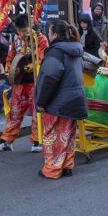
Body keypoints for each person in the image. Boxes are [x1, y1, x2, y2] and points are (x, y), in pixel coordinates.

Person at [35, 19, 87, 179]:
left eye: (49, 31)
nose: (48, 34)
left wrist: (41, 101)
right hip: (74, 99)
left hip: (59, 101)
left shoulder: (56, 51)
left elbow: (49, 78)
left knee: (52, 136)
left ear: (55, 34)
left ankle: (52, 169)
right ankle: (67, 166)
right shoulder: (76, 49)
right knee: (68, 135)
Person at [0, 14, 48, 153]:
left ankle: (37, 140)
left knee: (37, 113)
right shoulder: (16, 40)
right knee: (14, 112)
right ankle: (7, 140)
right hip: (19, 83)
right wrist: (9, 71)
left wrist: (32, 64)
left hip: (35, 82)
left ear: (31, 27)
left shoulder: (41, 39)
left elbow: (43, 58)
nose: (22, 33)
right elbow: (10, 58)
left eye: (25, 30)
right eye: (20, 31)